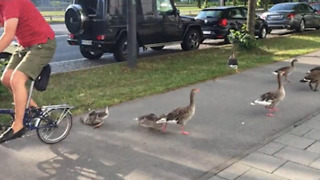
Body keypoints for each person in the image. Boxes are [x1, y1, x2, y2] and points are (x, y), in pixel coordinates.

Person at [0, 0, 56, 143]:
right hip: (25, 45)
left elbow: (8, 35)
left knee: (16, 79)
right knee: (6, 78)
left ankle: (18, 125)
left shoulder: (10, 2)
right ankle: (34, 110)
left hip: (43, 44)